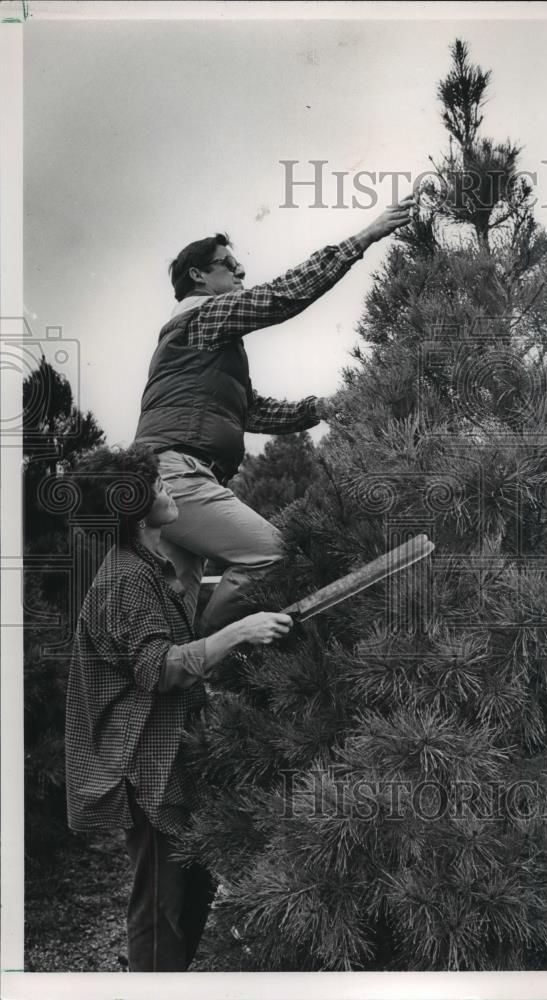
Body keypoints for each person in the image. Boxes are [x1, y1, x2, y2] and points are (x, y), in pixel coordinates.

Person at [134, 196, 415, 635]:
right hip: (179, 477)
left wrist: (317, 409)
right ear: (199, 276)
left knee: (175, 610)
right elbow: (283, 297)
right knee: (269, 554)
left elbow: (254, 410)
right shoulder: (204, 318)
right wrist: (364, 237)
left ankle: (186, 674)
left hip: (169, 479)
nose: (241, 272)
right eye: (228, 264)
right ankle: (212, 653)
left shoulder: (196, 347)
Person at [64, 444, 293, 972]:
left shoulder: (153, 566)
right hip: (142, 767)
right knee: (160, 907)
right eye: (160, 487)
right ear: (137, 508)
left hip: (166, 759)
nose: (171, 493)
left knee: (193, 892)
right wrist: (239, 630)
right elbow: (158, 668)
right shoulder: (127, 579)